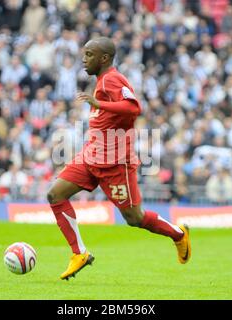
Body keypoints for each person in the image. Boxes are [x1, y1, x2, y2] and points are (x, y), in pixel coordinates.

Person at [47, 37, 191, 280]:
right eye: (84, 53)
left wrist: (98, 102)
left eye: (90, 54)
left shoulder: (112, 79)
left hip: (115, 164)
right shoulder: (102, 81)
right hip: (91, 156)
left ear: (104, 58)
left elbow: (134, 108)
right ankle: (79, 253)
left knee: (135, 218)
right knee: (55, 195)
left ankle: (178, 234)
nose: (84, 59)